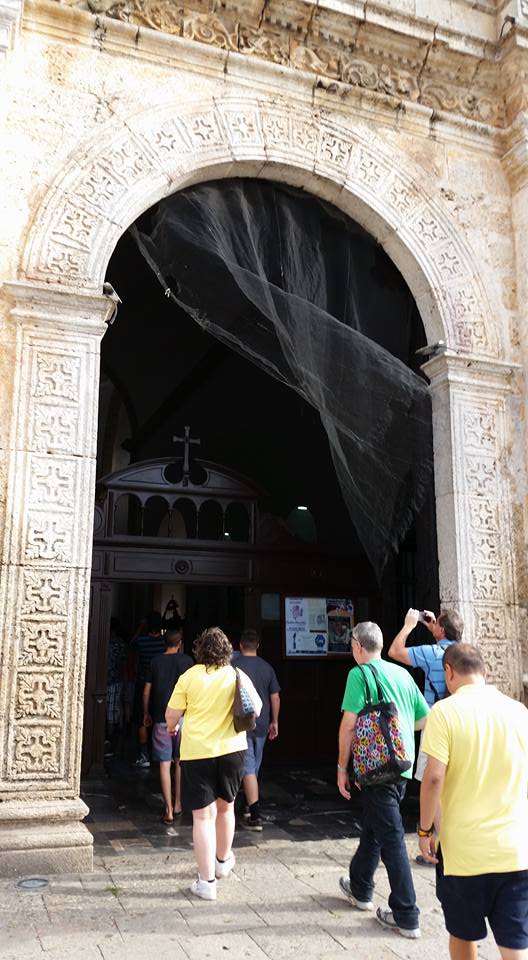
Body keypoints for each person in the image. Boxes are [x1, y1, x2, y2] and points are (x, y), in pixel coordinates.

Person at [418, 643, 528, 960]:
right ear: (485, 672)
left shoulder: (444, 712)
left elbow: (434, 778)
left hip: (464, 851)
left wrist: (425, 831)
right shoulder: (519, 711)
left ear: (448, 672)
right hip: (514, 848)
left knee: (463, 934)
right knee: (514, 943)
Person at [337, 620, 429, 939]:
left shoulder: (359, 674)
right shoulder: (402, 674)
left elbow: (349, 725)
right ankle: (360, 886)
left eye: (352, 644)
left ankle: (406, 914)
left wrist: (341, 768)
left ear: (358, 646)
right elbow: (423, 718)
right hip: (400, 765)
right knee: (376, 827)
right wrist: (398, 733)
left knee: (390, 837)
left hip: (377, 769)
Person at [165, 626, 261, 901]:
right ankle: (222, 861)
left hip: (198, 752)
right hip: (233, 751)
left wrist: (174, 727)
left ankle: (206, 881)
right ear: (227, 650)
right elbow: (257, 709)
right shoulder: (236, 674)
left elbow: (171, 715)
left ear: (199, 650)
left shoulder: (190, 677)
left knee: (202, 816)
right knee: (226, 808)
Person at [388, 607, 464, 863]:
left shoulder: (432, 653)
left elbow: (395, 651)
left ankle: (441, 847)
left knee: (435, 782)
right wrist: (435, 629)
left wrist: (410, 626)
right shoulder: (464, 653)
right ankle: (449, 842)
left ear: (441, 629)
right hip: (462, 722)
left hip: (436, 721)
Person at [143, 626, 193, 823]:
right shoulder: (187, 661)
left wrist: (146, 712)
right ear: (179, 644)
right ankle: (179, 802)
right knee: (179, 761)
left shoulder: (155, 662)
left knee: (165, 764)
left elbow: (146, 691)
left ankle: (168, 809)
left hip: (161, 718)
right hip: (182, 717)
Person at [233, 628, 280, 831]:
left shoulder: (233, 666)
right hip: (261, 725)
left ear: (241, 645)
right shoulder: (267, 668)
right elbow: (275, 697)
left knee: (248, 769)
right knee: (253, 768)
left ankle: (255, 816)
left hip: (240, 724)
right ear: (257, 646)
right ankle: (247, 806)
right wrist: (275, 721)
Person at [131, 611, 166, 768]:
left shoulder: (142, 641)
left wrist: (140, 627)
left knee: (142, 720)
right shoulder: (165, 642)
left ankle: (144, 755)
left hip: (143, 683)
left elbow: (130, 645)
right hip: (161, 686)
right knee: (160, 719)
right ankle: (161, 755)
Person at [105, 617, 126, 756]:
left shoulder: (103, 642)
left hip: (105, 679)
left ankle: (107, 738)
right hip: (116, 679)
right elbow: (123, 662)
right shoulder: (121, 644)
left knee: (108, 709)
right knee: (113, 709)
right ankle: (111, 738)